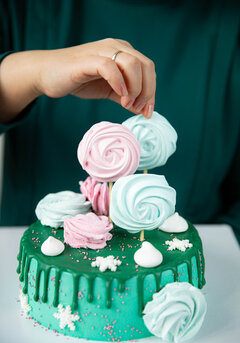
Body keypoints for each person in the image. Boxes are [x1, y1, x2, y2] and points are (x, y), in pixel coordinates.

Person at [0, 0, 239, 243]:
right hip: (29, 262)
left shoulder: (230, 24)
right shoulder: (23, 9)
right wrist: (33, 72)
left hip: (195, 266)